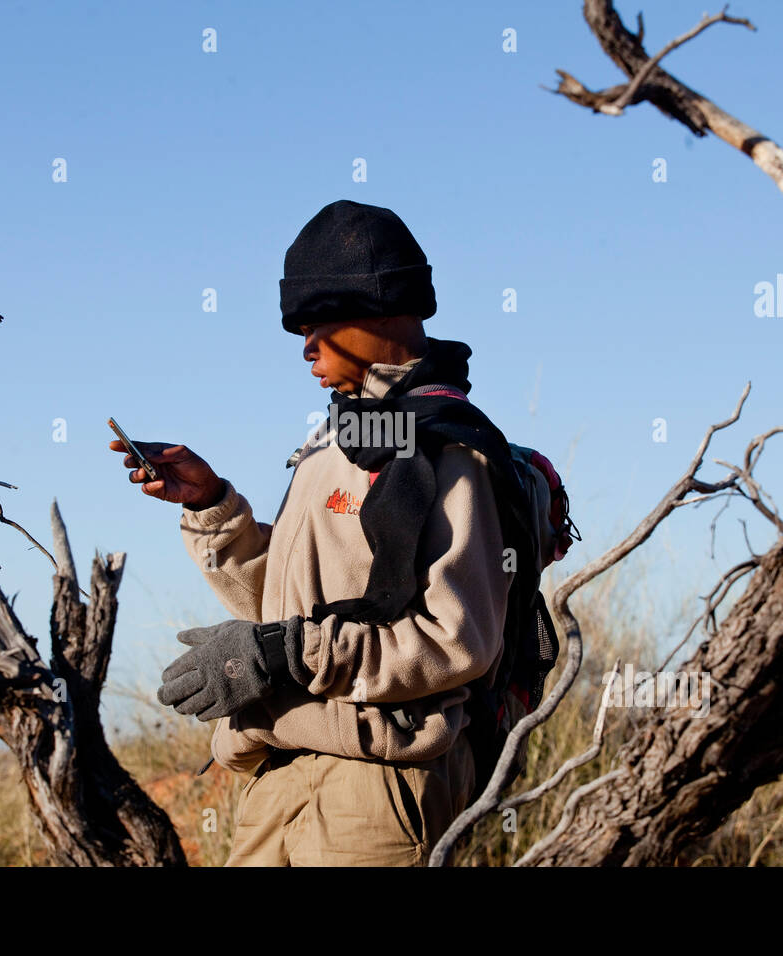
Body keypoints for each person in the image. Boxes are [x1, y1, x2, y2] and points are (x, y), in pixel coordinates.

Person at [110, 199, 515, 866]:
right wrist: (213, 506)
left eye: (323, 321)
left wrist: (282, 654)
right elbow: (288, 610)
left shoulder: (451, 451)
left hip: (377, 789)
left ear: (390, 309)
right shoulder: (334, 443)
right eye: (299, 326)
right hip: (275, 773)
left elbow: (454, 642)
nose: (306, 346)